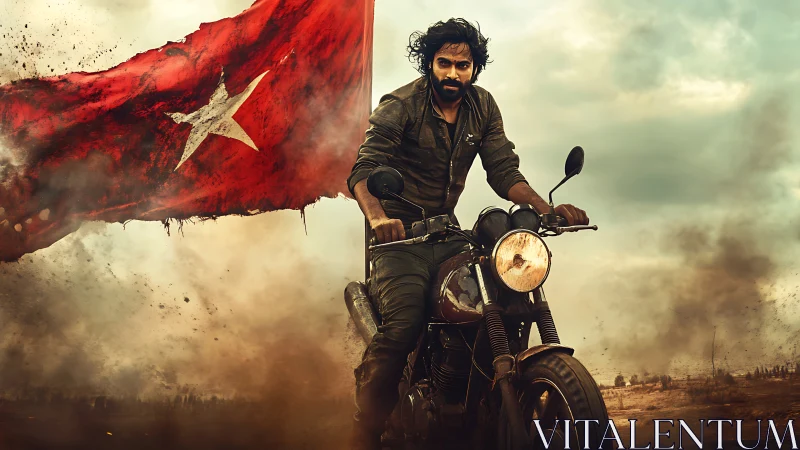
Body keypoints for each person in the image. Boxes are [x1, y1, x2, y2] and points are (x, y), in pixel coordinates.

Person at [346, 18, 589, 449]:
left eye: (463, 65)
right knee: (403, 327)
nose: (453, 73)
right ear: (429, 64)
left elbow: (503, 170)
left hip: (448, 234)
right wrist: (379, 218)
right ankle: (365, 431)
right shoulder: (399, 105)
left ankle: (474, 398)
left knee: (495, 298)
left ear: (475, 68)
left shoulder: (482, 106)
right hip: (400, 242)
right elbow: (364, 170)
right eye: (444, 63)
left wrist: (545, 209)